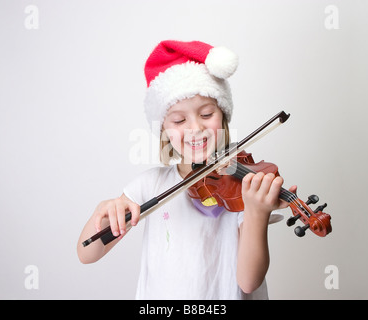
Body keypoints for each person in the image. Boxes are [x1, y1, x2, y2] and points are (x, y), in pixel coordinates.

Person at [77, 40, 297, 299]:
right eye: (179, 120)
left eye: (206, 115)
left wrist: (257, 214)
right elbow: (87, 253)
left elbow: (249, 282)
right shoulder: (149, 186)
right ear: (164, 129)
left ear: (223, 116)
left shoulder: (243, 190)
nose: (195, 129)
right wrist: (102, 215)